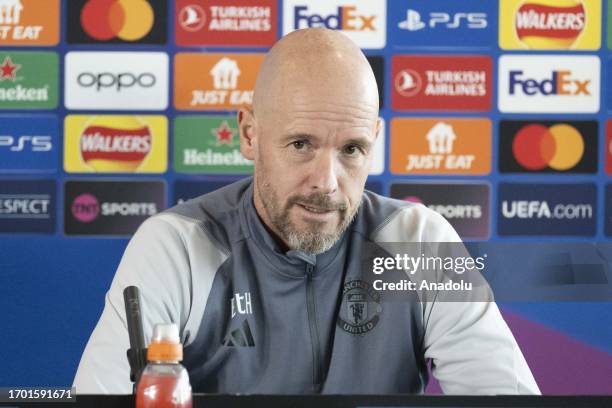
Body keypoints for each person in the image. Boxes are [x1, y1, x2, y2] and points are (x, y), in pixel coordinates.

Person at [74, 28, 540, 395]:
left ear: (375, 139)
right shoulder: (177, 244)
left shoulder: (418, 240)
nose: (327, 182)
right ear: (250, 133)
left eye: (352, 149)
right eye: (301, 144)